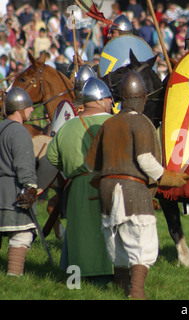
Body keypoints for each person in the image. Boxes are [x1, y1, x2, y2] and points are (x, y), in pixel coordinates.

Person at [85, 71, 187, 299]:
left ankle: (121, 291)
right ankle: (136, 293)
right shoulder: (140, 122)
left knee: (117, 242)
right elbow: (145, 160)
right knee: (143, 245)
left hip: (106, 192)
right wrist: (168, 177)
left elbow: (92, 165)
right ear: (141, 98)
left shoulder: (108, 123)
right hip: (132, 192)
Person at [46, 78, 114, 284]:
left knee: (79, 235)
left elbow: (52, 157)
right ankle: (109, 279)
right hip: (109, 187)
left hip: (76, 186)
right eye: (110, 99)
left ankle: (75, 281)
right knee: (108, 234)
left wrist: (71, 168)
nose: (112, 103)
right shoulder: (114, 122)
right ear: (102, 100)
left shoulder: (67, 127)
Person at [0, 87, 38, 276]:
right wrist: (30, 186)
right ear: (20, 108)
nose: (32, 111)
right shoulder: (19, 132)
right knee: (22, 234)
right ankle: (14, 275)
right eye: (29, 107)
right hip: (11, 192)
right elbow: (24, 164)